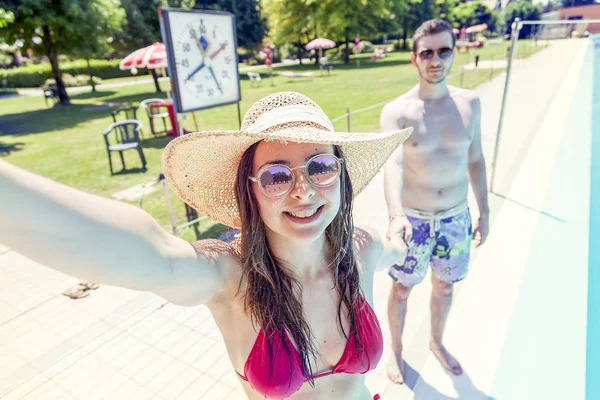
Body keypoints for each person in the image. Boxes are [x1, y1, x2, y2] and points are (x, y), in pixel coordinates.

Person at [1, 91, 413, 399]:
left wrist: (398, 226)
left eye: (320, 167)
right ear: (248, 191)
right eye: (276, 175)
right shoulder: (228, 277)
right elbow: (154, 254)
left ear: (340, 175)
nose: (303, 192)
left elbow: (395, 248)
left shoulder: (361, 251)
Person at [380, 19, 490, 384]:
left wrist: (484, 211)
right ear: (414, 59)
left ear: (453, 53)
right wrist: (395, 215)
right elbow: (393, 165)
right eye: (427, 52)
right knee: (401, 288)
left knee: (445, 286)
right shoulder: (397, 112)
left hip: (456, 218)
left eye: (443, 50)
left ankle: (435, 342)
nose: (435, 60)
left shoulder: (470, 104)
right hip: (414, 221)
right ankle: (395, 350)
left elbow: (475, 159)